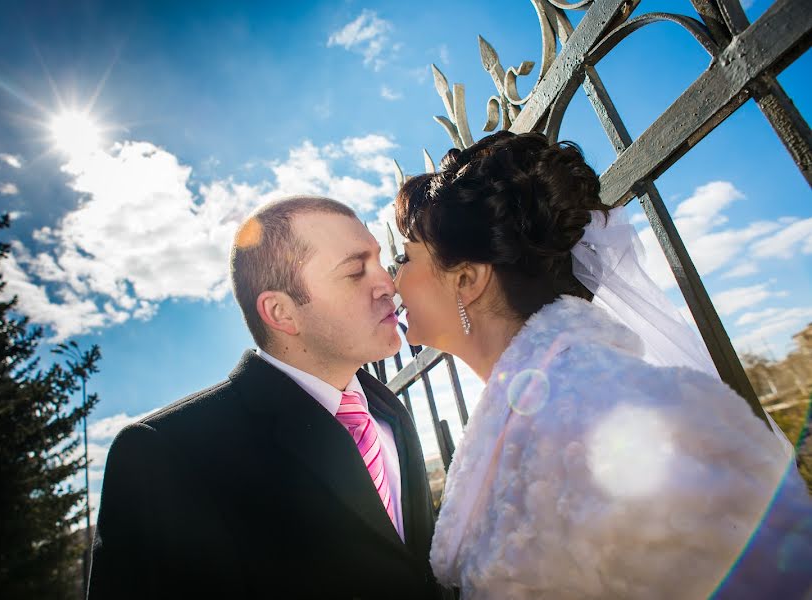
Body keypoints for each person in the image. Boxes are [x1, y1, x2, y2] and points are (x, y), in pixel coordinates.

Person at [392, 131, 812, 599]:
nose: (393, 282)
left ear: (466, 280)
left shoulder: (611, 412)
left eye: (404, 259)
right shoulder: (530, 414)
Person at [88, 196, 450, 599]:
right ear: (281, 312)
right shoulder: (164, 452)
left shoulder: (389, 414)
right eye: (354, 271)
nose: (388, 283)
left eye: (380, 261)